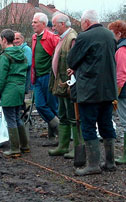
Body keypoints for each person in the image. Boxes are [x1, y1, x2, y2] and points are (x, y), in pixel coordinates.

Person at [67, 10, 117, 176]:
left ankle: (93, 165)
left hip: (89, 90)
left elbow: (72, 60)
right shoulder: (110, 35)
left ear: (86, 22)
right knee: (106, 124)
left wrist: (75, 67)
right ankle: (110, 162)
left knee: (88, 126)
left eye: (82, 23)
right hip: (108, 89)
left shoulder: (84, 37)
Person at [48, 13, 84, 159]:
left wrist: (72, 82)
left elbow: (75, 62)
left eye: (55, 25)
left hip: (69, 85)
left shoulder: (72, 38)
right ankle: (62, 146)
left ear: (63, 24)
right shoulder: (63, 38)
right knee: (63, 115)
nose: (54, 28)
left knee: (73, 116)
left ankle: (76, 148)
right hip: (61, 84)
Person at [0, 29, 29, 157]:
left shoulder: (5, 57)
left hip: (9, 91)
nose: (0, 42)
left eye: (0, 40)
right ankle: (24, 146)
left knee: (10, 119)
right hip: (19, 90)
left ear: (4, 40)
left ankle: (15, 149)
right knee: (17, 117)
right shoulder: (22, 54)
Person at [31, 12, 60, 146]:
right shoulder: (34, 37)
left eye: (35, 22)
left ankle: (54, 137)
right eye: (32, 22)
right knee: (40, 105)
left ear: (43, 24)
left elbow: (60, 54)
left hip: (49, 76)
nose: (33, 24)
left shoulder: (52, 38)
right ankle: (59, 128)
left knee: (52, 106)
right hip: (37, 77)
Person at [108, 20, 126, 165]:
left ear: (119, 33)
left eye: (112, 33)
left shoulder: (121, 50)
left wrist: (116, 93)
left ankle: (125, 156)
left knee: (125, 122)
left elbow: (121, 75)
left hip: (124, 92)